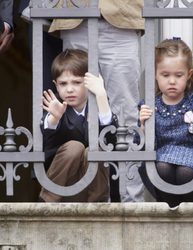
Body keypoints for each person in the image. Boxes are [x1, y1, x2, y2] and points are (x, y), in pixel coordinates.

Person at [47, 0, 145, 202]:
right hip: (75, 15)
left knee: (126, 118)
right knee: (79, 113)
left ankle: (132, 203)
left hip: (123, 14)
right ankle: (94, 200)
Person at [139, 38, 193, 207]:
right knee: (162, 168)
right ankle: (171, 210)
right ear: (155, 74)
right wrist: (143, 124)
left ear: (189, 75)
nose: (172, 81)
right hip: (162, 156)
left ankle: (189, 211)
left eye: (178, 75)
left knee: (185, 172)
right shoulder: (150, 104)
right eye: (165, 75)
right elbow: (141, 145)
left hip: (192, 155)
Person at [39, 48, 118, 202]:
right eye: (63, 83)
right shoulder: (56, 105)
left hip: (93, 190)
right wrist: (55, 118)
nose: (69, 89)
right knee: (75, 147)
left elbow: (111, 141)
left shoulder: (98, 104)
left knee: (94, 150)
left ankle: (98, 207)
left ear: (88, 83)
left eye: (76, 82)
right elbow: (48, 136)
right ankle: (47, 203)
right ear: (56, 85)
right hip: (62, 187)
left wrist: (101, 96)